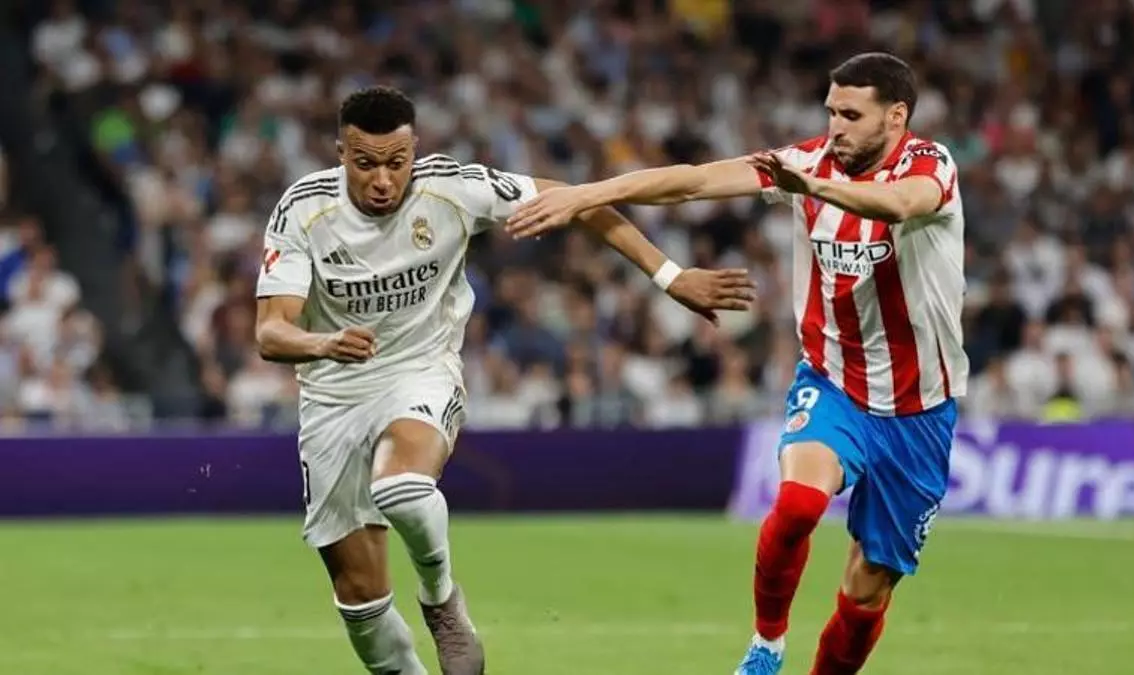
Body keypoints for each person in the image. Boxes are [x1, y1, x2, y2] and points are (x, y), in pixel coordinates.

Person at [254, 85, 757, 675]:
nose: (384, 181)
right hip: (332, 396)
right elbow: (271, 332)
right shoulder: (304, 210)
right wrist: (322, 343)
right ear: (341, 153)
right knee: (361, 605)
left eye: (397, 162)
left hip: (420, 371)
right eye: (366, 164)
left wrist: (670, 276)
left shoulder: (453, 188)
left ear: (415, 151)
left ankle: (441, 599)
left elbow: (578, 202)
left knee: (401, 486)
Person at [506, 53, 968, 675]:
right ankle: (766, 644)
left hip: (920, 410)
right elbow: (694, 181)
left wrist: (813, 189)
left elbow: (901, 205)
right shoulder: (804, 163)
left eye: (851, 115)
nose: (835, 126)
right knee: (799, 504)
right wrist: (588, 193)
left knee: (867, 589)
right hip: (835, 384)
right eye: (831, 111)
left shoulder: (930, 165)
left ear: (896, 116)